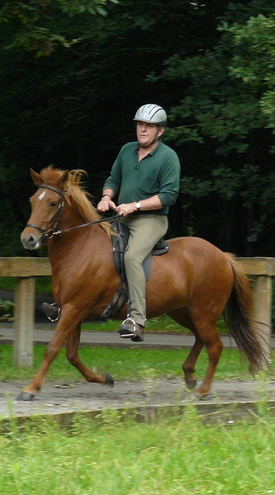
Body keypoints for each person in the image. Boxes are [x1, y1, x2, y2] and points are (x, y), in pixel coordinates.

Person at [97, 104, 181, 342]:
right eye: (140, 124)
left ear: (160, 131)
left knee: (132, 257)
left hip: (151, 220)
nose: (143, 129)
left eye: (149, 126)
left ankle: (137, 319)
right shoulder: (126, 150)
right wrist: (106, 197)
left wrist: (134, 205)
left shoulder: (168, 157)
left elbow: (168, 196)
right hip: (121, 215)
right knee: (93, 244)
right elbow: (113, 179)